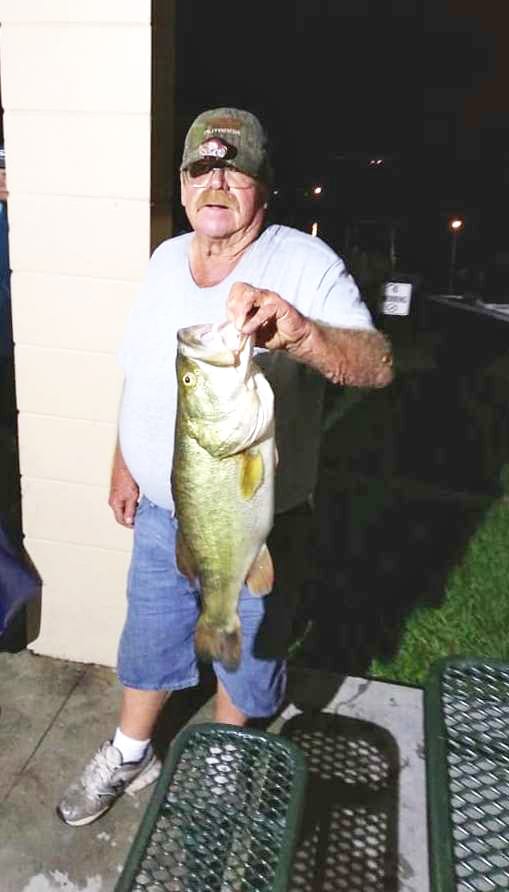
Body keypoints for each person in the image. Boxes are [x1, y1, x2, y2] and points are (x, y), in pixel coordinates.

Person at [57, 108, 394, 826]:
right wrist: (123, 462)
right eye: (200, 170)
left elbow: (377, 364)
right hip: (161, 509)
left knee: (248, 651)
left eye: (233, 169)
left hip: (261, 517)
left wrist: (300, 333)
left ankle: (222, 756)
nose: (216, 183)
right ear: (182, 187)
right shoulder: (162, 259)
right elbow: (142, 374)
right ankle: (129, 748)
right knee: (147, 637)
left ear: (263, 186)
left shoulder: (305, 264)